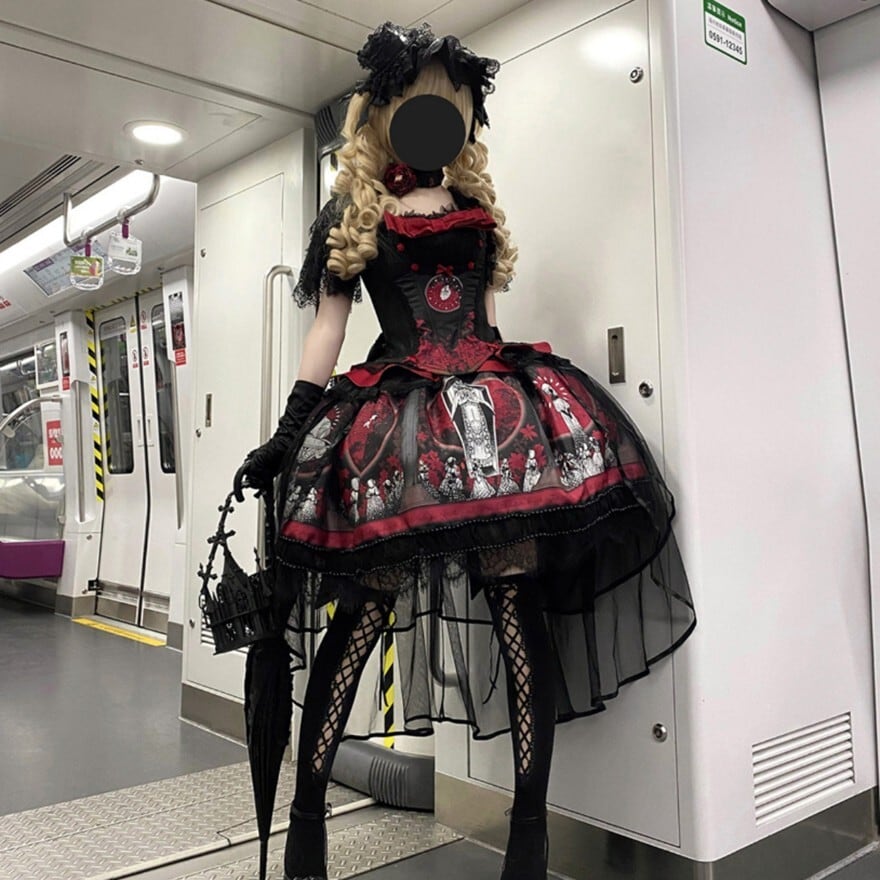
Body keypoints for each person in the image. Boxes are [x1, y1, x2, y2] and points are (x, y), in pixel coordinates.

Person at [236, 21, 697, 880]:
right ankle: (306, 829)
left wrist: (507, 399)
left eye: (451, 105)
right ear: (385, 113)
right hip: (396, 430)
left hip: (489, 418)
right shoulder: (355, 210)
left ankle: (529, 836)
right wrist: (289, 429)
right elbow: (328, 329)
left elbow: (484, 321)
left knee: (519, 610)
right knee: (360, 616)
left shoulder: (473, 208)